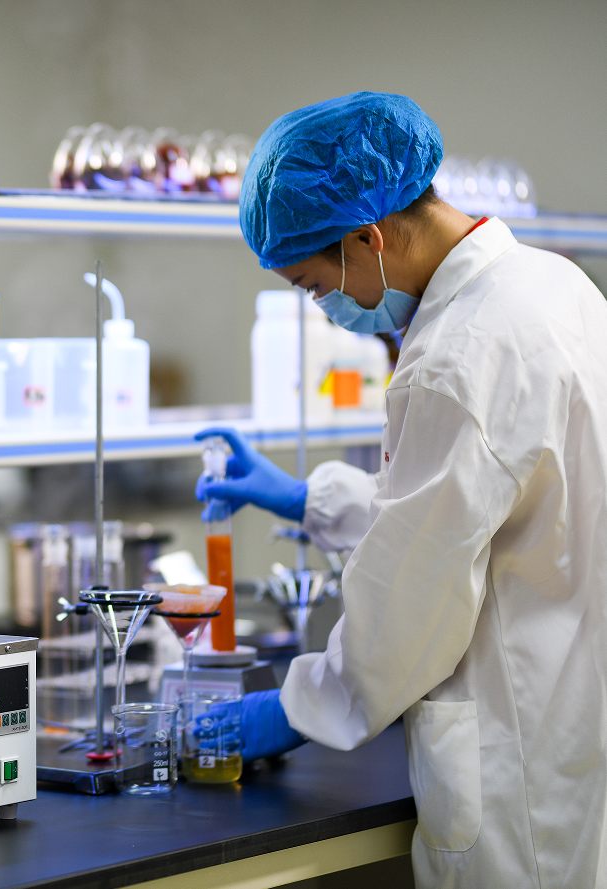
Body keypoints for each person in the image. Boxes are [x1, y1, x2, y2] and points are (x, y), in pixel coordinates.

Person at [198, 92, 607, 887]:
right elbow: (489, 508)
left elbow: (412, 598)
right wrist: (312, 501)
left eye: (313, 285)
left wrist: (298, 706)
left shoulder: (457, 354)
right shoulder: (558, 288)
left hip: (522, 748)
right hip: (577, 703)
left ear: (368, 237)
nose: (327, 309)